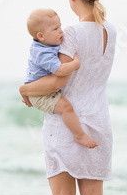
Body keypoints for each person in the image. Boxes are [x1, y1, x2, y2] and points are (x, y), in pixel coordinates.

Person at [20, 0, 115, 195]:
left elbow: (54, 82)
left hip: (66, 123)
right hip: (99, 120)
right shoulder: (109, 32)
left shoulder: (71, 34)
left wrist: (24, 90)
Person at [23, 8, 98, 149]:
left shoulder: (47, 44)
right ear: (41, 36)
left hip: (40, 89)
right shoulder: (42, 52)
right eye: (55, 28)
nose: (61, 31)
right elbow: (60, 70)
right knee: (66, 108)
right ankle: (79, 135)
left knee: (66, 106)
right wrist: (75, 64)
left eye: (60, 26)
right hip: (40, 95)